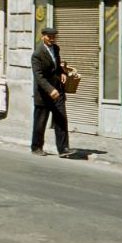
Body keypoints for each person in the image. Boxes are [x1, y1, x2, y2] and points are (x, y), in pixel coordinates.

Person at [30, 27, 74, 158]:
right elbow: (39, 76)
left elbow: (57, 66)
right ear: (43, 36)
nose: (52, 39)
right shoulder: (37, 54)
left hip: (57, 92)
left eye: (54, 37)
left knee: (61, 119)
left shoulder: (56, 48)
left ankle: (63, 149)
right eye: (50, 37)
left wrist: (62, 73)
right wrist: (50, 89)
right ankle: (36, 147)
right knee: (40, 122)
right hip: (43, 94)